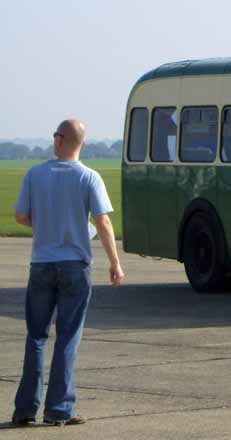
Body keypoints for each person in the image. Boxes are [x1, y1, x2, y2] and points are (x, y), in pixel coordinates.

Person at [11, 119, 124, 427]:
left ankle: (25, 409)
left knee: (36, 336)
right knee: (67, 337)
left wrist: (45, 226)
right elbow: (103, 222)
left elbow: (21, 216)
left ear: (58, 140)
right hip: (74, 265)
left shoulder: (35, 174)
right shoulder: (89, 177)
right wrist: (115, 262)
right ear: (82, 144)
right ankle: (59, 409)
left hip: (42, 264)